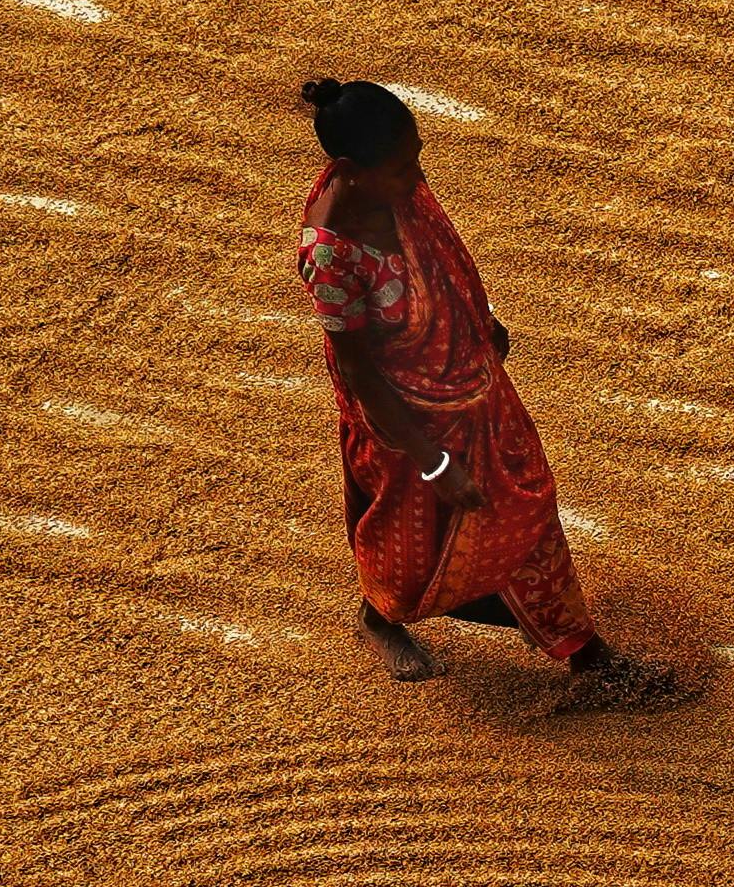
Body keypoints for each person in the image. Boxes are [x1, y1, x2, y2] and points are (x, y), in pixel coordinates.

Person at [289, 78, 683, 708]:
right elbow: (360, 372)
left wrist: (480, 321)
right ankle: (382, 617)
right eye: (401, 167)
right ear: (346, 170)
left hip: (475, 390)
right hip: (408, 425)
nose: (416, 179)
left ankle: (583, 652)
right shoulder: (330, 257)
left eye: (416, 158)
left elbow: (445, 258)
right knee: (412, 541)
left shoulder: (398, 192)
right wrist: (433, 461)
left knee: (528, 506)